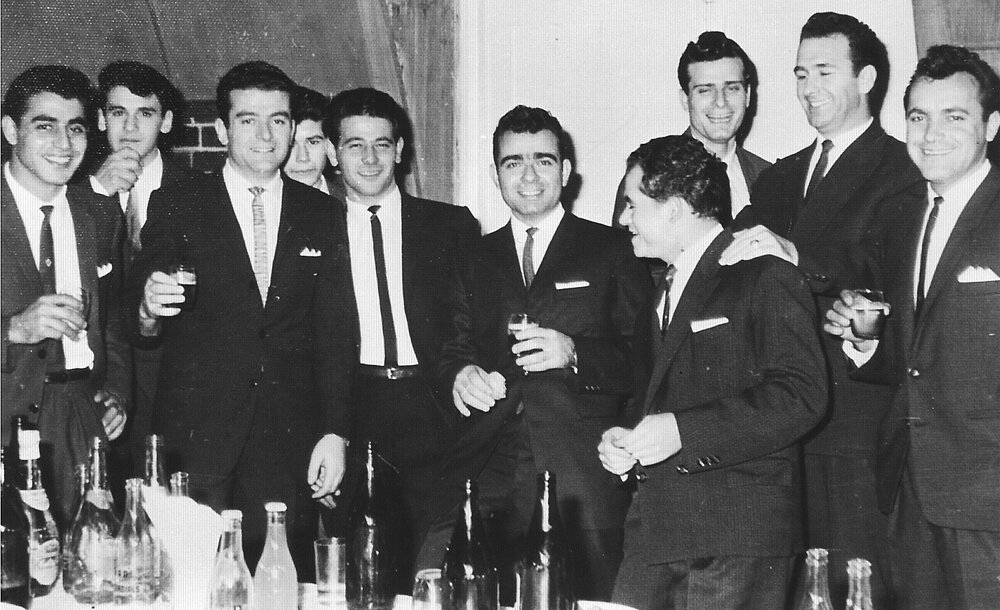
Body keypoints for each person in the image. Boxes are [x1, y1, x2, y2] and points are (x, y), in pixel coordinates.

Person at [723, 12, 925, 604]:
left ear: (866, 78)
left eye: (824, 71)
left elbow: (898, 284)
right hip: (775, 433)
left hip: (855, 429)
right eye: (800, 73)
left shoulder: (905, 169)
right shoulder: (780, 179)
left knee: (852, 590)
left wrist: (796, 256)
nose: (808, 87)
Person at [124, 61, 354, 577]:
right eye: (249, 120)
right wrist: (147, 304)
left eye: (279, 119)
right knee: (190, 584)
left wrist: (335, 432)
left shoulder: (323, 213)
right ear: (224, 130)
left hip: (287, 443)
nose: (266, 134)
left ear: (294, 128)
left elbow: (337, 333)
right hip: (194, 442)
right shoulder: (179, 202)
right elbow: (138, 311)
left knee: (278, 584)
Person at [423, 105, 650, 603]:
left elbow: (645, 360)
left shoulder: (615, 249)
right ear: (495, 174)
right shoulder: (471, 257)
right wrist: (460, 375)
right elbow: (449, 352)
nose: (528, 176)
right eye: (513, 163)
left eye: (543, 161)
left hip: (580, 473)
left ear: (566, 172)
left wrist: (575, 353)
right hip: (487, 469)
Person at [602, 134, 827, 610]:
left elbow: (802, 395)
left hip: (734, 540)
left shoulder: (764, 273)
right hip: (657, 536)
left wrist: (683, 431)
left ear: (676, 210)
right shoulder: (659, 294)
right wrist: (629, 442)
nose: (622, 220)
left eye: (632, 204)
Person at [825, 45, 1000, 610]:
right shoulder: (898, 213)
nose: (930, 135)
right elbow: (910, 355)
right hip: (906, 487)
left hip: (989, 495)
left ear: (991, 125)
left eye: (955, 117)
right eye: (919, 117)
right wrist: (862, 338)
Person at [322, 86, 479, 591]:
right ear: (331, 152)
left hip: (434, 407)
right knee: (366, 575)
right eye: (354, 145)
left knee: (437, 570)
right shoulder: (311, 230)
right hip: (356, 410)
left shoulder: (448, 226)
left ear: (401, 150)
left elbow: (468, 326)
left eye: (382, 144)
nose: (369, 158)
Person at [1, 65, 129, 527]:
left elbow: (113, 325)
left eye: (74, 128)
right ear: (11, 129)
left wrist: (115, 393)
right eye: (45, 126)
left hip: (80, 421)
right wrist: (12, 329)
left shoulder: (99, 214)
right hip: (5, 420)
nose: (63, 143)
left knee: (89, 566)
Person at [89, 60, 196, 478]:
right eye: (118, 113)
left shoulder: (197, 192)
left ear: (167, 122)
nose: (130, 129)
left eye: (145, 114)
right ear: (101, 120)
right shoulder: (77, 188)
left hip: (170, 376)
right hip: (102, 375)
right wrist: (99, 193)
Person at [613, 31, 769, 230]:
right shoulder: (647, 173)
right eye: (705, 90)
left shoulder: (771, 177)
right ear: (685, 100)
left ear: (747, 96)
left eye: (732, 88)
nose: (720, 102)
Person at [285, 85, 333, 194]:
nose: (303, 157)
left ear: (329, 146)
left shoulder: (352, 203)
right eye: (291, 145)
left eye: (313, 142)